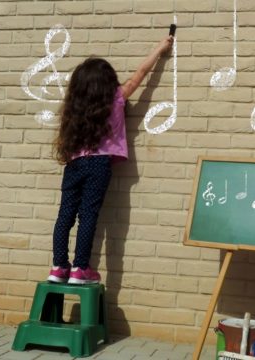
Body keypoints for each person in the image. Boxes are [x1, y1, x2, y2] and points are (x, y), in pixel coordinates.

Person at [47, 35, 174, 284]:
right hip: (99, 164)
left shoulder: (75, 107)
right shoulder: (115, 99)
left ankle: (59, 267)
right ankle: (80, 268)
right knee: (88, 215)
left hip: (74, 164)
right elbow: (141, 72)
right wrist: (160, 48)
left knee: (65, 215)